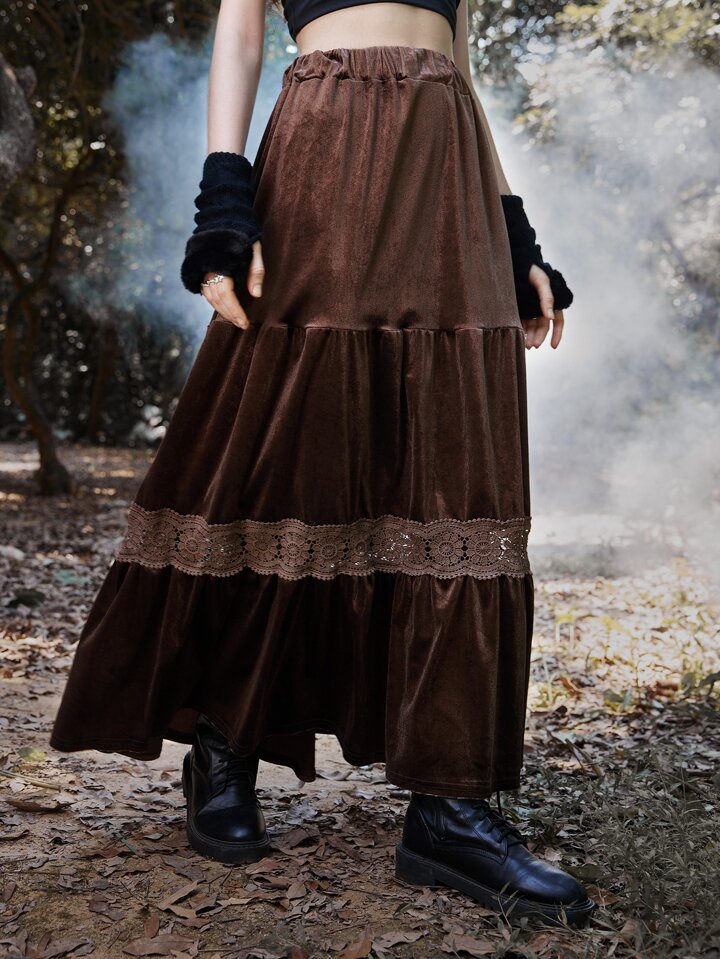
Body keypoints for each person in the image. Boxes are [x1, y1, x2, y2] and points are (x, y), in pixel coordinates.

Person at [49, 0, 596, 929]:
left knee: (458, 464)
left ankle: (449, 803)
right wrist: (223, 204)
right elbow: (239, 31)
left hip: (448, 168)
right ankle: (224, 741)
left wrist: (514, 232)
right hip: (325, 144)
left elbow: (458, 68)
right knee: (285, 445)